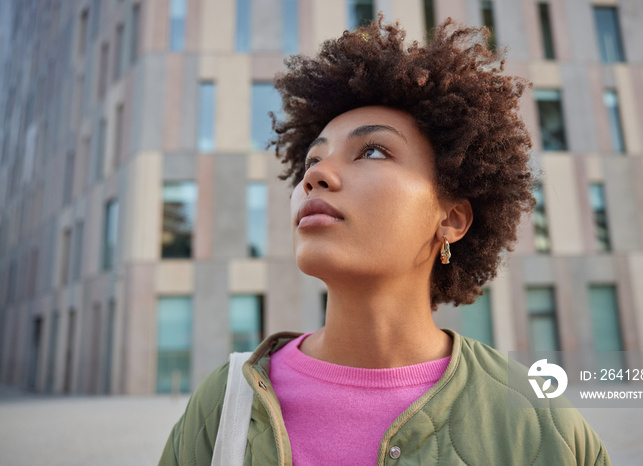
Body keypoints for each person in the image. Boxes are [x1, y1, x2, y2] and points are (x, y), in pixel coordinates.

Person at [159, 16, 610, 466]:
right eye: (312, 160)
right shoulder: (223, 405)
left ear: (451, 219)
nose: (315, 175)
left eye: (372, 150)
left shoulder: (541, 424)